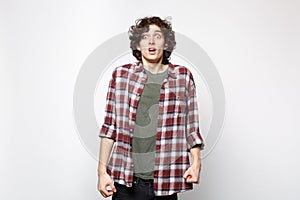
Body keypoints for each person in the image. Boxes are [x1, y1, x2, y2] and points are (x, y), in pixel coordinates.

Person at [97, 16, 204, 200]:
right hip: (125, 183)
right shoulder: (121, 76)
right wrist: (101, 172)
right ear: (138, 45)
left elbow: (191, 129)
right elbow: (109, 128)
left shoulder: (182, 77)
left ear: (166, 44)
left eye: (157, 36)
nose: (151, 41)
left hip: (166, 182)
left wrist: (196, 163)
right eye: (145, 37)